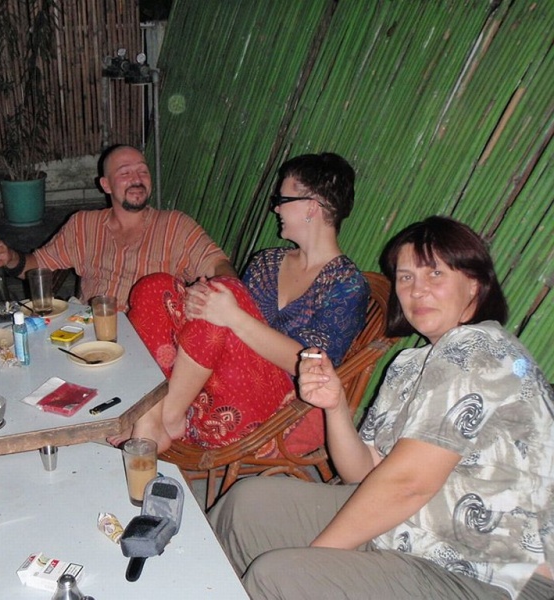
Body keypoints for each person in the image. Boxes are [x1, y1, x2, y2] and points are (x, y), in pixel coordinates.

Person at [209, 216, 554, 600]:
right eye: (406, 277)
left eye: (435, 273)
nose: (417, 290)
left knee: (281, 577)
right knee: (247, 506)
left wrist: (319, 557)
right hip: (411, 530)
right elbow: (363, 471)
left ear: (473, 284)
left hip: (493, 571)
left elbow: (408, 483)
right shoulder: (408, 365)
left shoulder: (481, 348)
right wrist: (335, 406)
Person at [114, 153, 370, 453]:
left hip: (278, 412)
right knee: (154, 286)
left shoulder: (346, 284)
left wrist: (232, 315)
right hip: (213, 388)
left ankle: (168, 417)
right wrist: (199, 300)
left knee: (225, 291)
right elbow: (221, 332)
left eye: (282, 199)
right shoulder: (267, 262)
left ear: (312, 206)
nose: (275, 208)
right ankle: (149, 417)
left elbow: (312, 367)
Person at [0, 144, 236, 310]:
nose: (136, 179)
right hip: (91, 334)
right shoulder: (83, 225)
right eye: (125, 173)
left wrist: (216, 295)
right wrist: (10, 257)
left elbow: (219, 267)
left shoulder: (176, 225)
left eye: (143, 172)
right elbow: (38, 266)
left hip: (150, 342)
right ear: (105, 185)